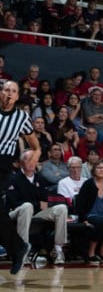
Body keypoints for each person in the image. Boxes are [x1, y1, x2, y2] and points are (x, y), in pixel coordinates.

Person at [0, 80, 41, 274]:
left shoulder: (21, 117)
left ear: (17, 97)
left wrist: (36, 157)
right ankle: (18, 247)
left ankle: (17, 248)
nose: (9, 93)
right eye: (6, 89)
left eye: (13, 91)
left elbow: (35, 145)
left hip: (3, 164)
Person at [6, 149, 69, 265]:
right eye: (28, 160)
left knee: (61, 208)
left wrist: (37, 204)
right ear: (21, 162)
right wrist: (36, 203)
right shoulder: (13, 178)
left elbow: (44, 202)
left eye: (34, 160)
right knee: (27, 206)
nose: (31, 163)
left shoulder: (40, 178)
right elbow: (14, 203)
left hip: (36, 212)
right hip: (15, 213)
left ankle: (58, 249)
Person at [75, 159, 103, 265]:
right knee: (99, 223)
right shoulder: (88, 184)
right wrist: (84, 219)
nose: (101, 170)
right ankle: (91, 253)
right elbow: (80, 204)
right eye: (99, 168)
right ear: (94, 170)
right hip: (91, 213)